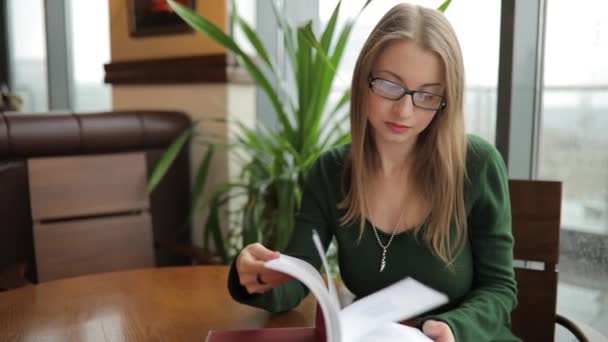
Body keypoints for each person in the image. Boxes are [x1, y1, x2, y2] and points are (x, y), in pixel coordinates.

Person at [227, 3, 520, 341]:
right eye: (389, 85)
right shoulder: (330, 172)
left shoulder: (478, 165)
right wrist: (254, 276)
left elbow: (500, 289)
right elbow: (294, 283)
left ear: (445, 101)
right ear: (364, 79)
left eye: (426, 95)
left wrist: (453, 328)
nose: (404, 110)